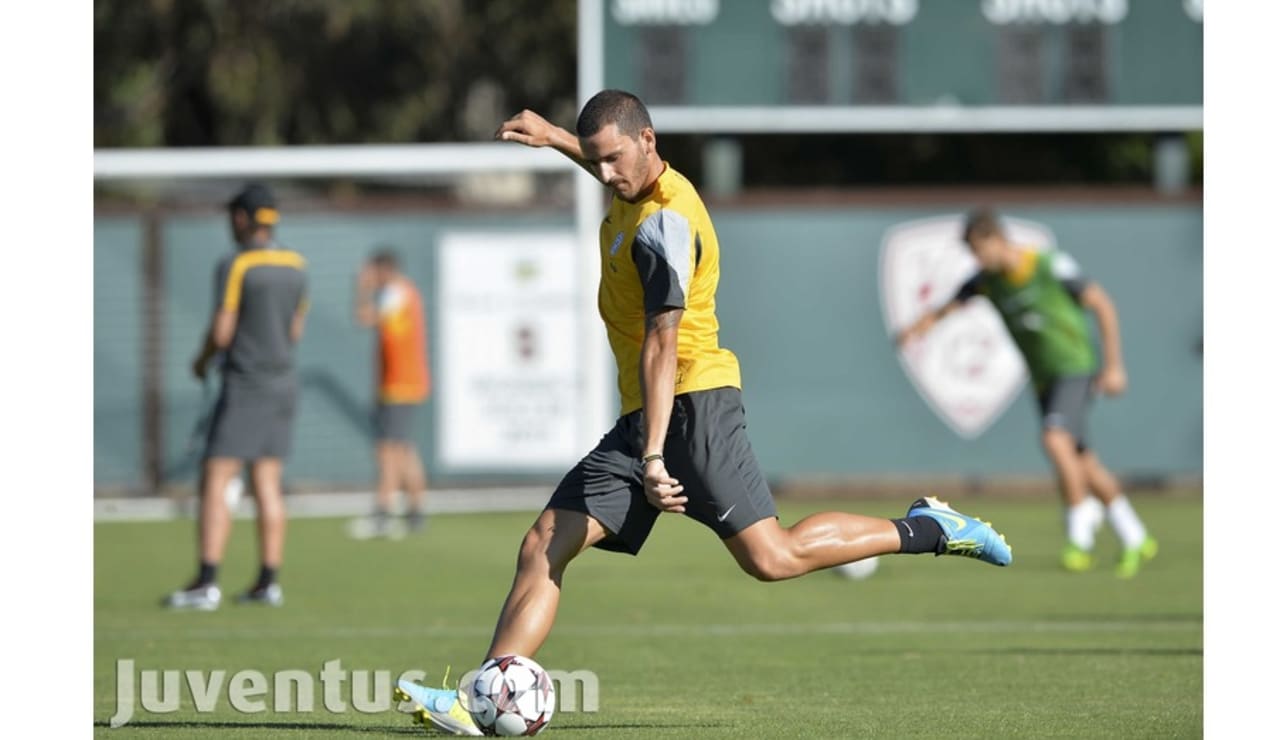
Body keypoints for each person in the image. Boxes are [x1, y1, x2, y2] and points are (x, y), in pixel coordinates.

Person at [393, 90, 1013, 735]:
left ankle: (928, 528)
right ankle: (482, 697)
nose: (604, 173)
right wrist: (556, 138)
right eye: (596, 161)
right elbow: (611, 167)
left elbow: (663, 343)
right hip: (647, 413)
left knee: (771, 557)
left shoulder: (666, 222)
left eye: (612, 159)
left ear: (649, 141)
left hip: (694, 406)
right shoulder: (633, 184)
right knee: (545, 542)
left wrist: (653, 454)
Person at [896, 207, 1158, 578]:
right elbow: (948, 307)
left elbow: (1102, 303)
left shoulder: (1049, 265)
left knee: (1055, 439)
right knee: (1083, 462)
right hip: (1044, 379)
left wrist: (1114, 366)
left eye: (979, 249)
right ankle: (1135, 536)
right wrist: (916, 328)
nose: (978, 259)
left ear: (996, 239)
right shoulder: (987, 281)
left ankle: (1080, 533)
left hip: (1074, 368)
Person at [165, 183, 308, 610]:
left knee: (217, 476)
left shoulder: (237, 263)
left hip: (246, 384)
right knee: (267, 481)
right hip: (283, 383)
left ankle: (206, 581)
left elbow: (223, 331)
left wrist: (201, 360)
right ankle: (267, 582)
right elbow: (294, 331)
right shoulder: (296, 264)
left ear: (242, 218)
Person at [348, 248, 432, 539]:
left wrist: (361, 289)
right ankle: (416, 511)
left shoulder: (395, 293)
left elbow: (363, 317)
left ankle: (383, 513)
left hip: (400, 384)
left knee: (387, 450)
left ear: (383, 270)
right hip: (401, 383)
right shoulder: (403, 292)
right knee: (404, 449)